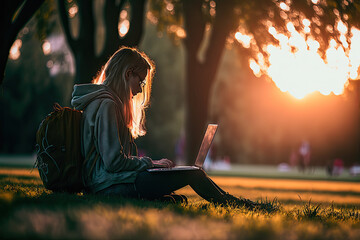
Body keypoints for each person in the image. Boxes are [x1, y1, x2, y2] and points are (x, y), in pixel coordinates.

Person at [71, 46, 256, 208]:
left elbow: (113, 161)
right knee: (193, 173)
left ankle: (234, 202)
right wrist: (150, 163)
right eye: (141, 81)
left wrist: (149, 167)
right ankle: (240, 204)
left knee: (188, 176)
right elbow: (113, 162)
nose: (141, 89)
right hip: (108, 186)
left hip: (108, 184)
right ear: (127, 74)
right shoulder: (107, 105)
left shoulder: (104, 103)